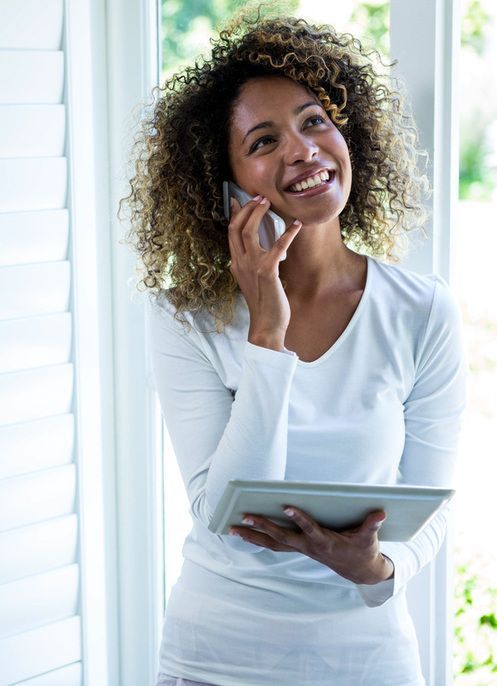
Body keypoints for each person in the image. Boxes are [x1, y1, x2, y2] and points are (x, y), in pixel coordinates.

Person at [120, 11, 467, 686]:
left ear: (347, 133)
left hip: (365, 655)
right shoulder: (182, 317)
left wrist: (375, 568)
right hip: (215, 655)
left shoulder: (422, 310)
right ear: (222, 185)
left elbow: (430, 500)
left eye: (314, 121)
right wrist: (266, 335)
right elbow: (221, 511)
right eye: (262, 140)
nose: (302, 150)